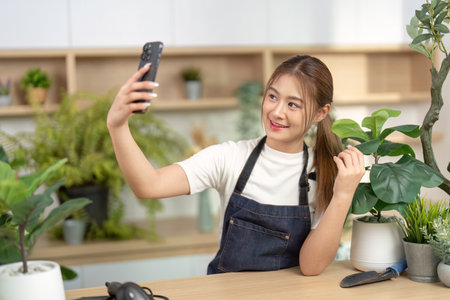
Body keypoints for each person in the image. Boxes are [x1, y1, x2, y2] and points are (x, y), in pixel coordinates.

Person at [107, 55, 365, 276]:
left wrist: (343, 195)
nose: (276, 112)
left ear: (321, 113)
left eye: (292, 104)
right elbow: (149, 185)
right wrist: (117, 126)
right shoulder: (229, 158)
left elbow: (311, 266)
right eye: (272, 97)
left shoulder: (320, 172)